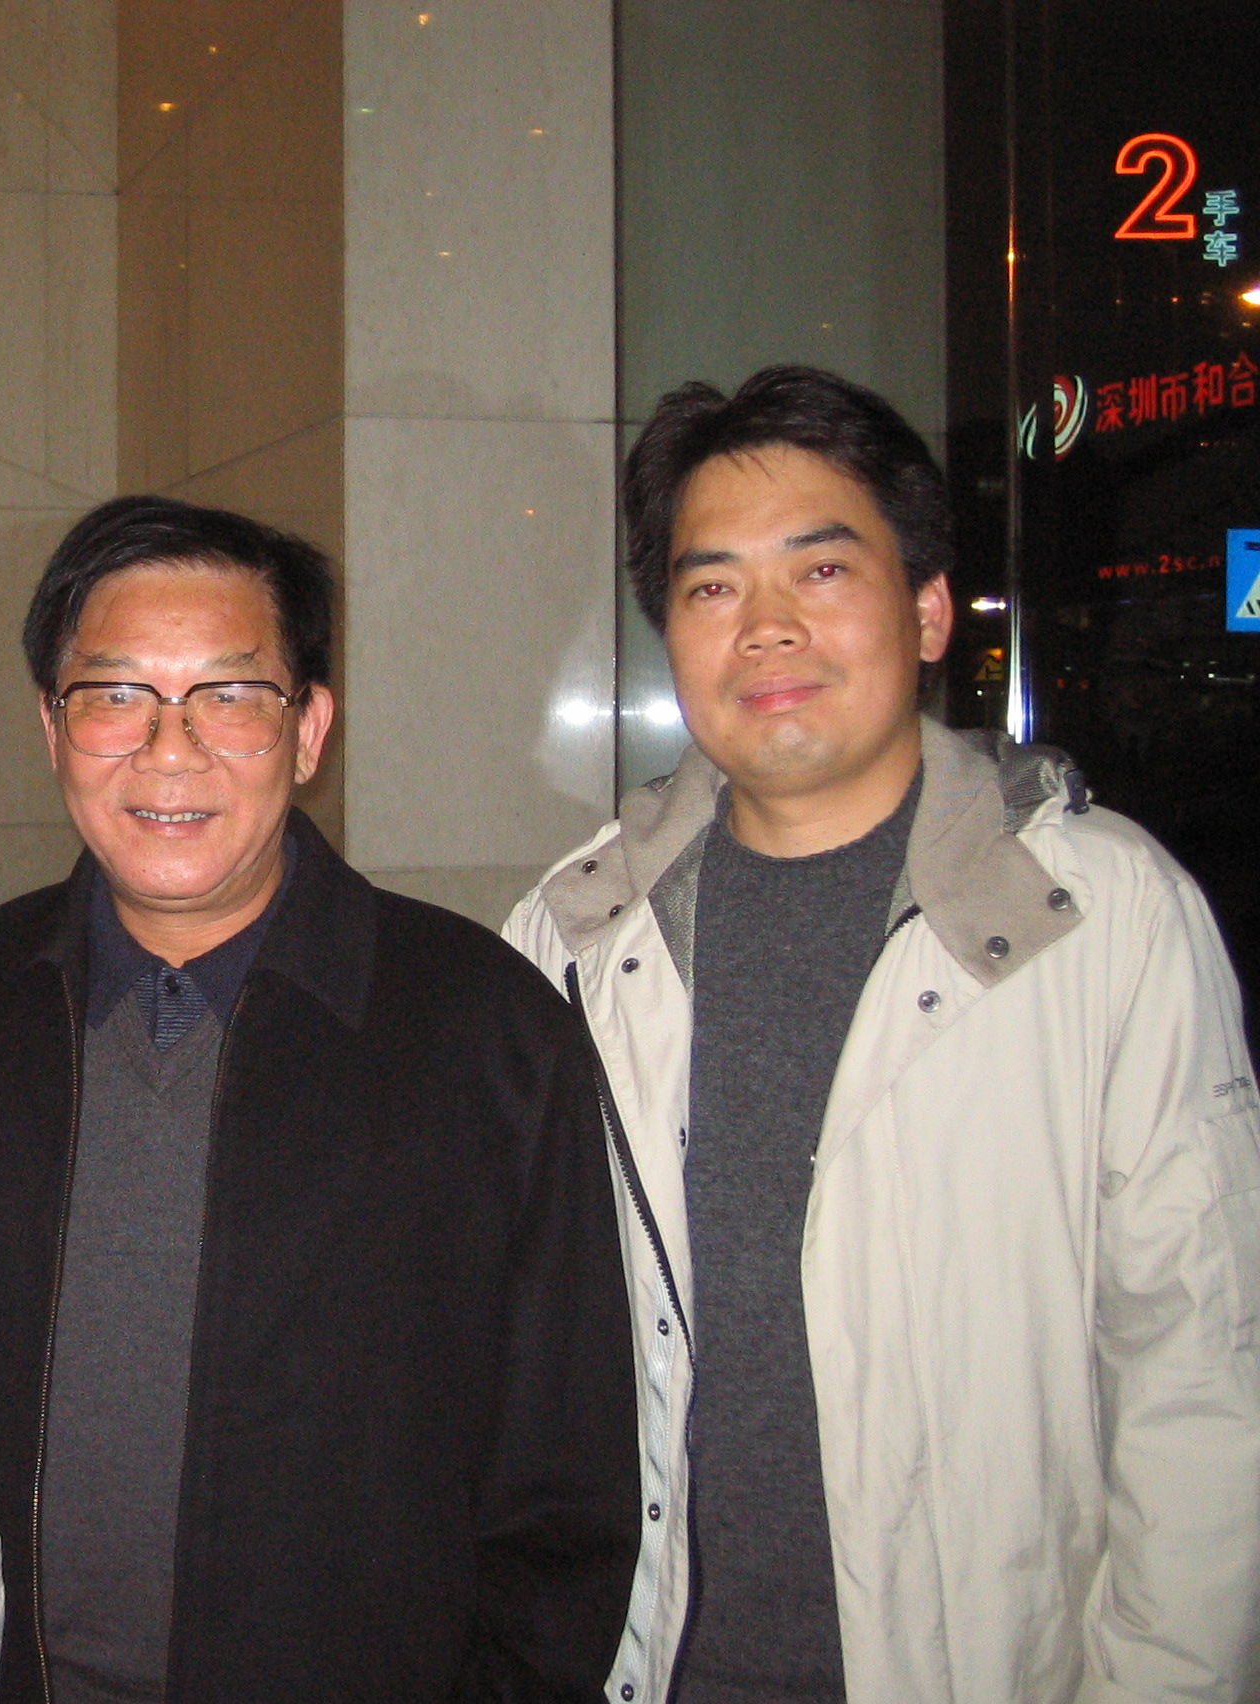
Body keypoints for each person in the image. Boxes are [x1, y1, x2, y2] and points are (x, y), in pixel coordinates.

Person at [505, 365, 1260, 1703]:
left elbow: (1202, 1375)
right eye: (712, 587)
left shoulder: (1098, 916)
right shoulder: (573, 937)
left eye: (821, 571)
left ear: (926, 612)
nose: (767, 629)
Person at [0, 494, 641, 1702]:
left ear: (308, 729)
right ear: (51, 728)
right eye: (114, 696)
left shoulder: (480, 1033)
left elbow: (565, 1480)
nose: (168, 751)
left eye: (229, 696)